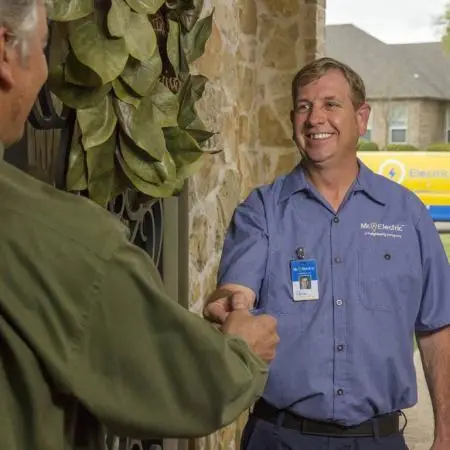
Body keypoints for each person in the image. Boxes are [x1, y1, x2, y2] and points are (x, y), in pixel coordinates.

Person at [0, 1, 280, 449]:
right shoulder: (67, 240)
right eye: (45, 47)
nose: (44, 81)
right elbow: (184, 384)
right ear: (5, 54)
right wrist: (242, 355)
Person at [204, 57, 450, 450]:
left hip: (378, 440)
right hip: (278, 438)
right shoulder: (262, 211)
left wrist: (445, 434)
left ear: (361, 117)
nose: (315, 117)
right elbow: (234, 292)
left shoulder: (409, 215)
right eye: (304, 106)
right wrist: (231, 306)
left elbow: (438, 328)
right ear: (293, 119)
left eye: (331, 104)